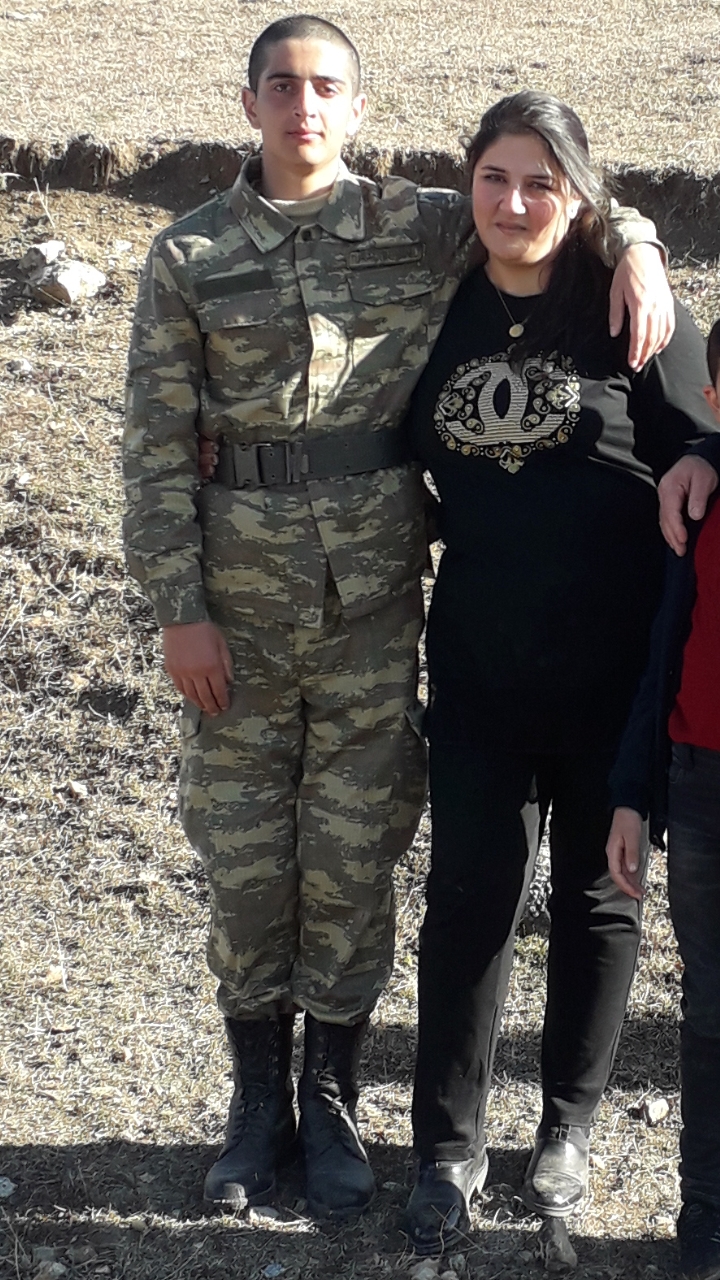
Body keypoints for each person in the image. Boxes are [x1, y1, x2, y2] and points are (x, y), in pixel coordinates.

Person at [123, 14, 673, 1221]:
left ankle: (330, 1101)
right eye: (282, 86)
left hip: (372, 607)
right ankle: (255, 1104)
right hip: (238, 610)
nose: (304, 107)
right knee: (246, 861)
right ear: (250, 103)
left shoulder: (416, 223)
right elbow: (154, 448)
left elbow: (550, 195)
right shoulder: (189, 251)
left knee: (353, 859)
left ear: (358, 109)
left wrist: (638, 241)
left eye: (327, 87)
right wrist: (179, 610)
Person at [401, 89, 719, 1256]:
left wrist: (705, 452)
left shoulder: (636, 308)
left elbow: (706, 440)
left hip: (613, 672)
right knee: (468, 897)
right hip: (478, 661)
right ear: (469, 183)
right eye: (496, 176)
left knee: (599, 897)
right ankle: (446, 1146)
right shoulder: (437, 298)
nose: (515, 200)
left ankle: (566, 1129)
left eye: (543, 181)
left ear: (581, 194)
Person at [607, 323, 720, 1280]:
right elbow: (663, 655)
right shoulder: (699, 506)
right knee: (711, 1010)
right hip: (702, 782)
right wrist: (633, 797)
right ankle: (705, 1223)